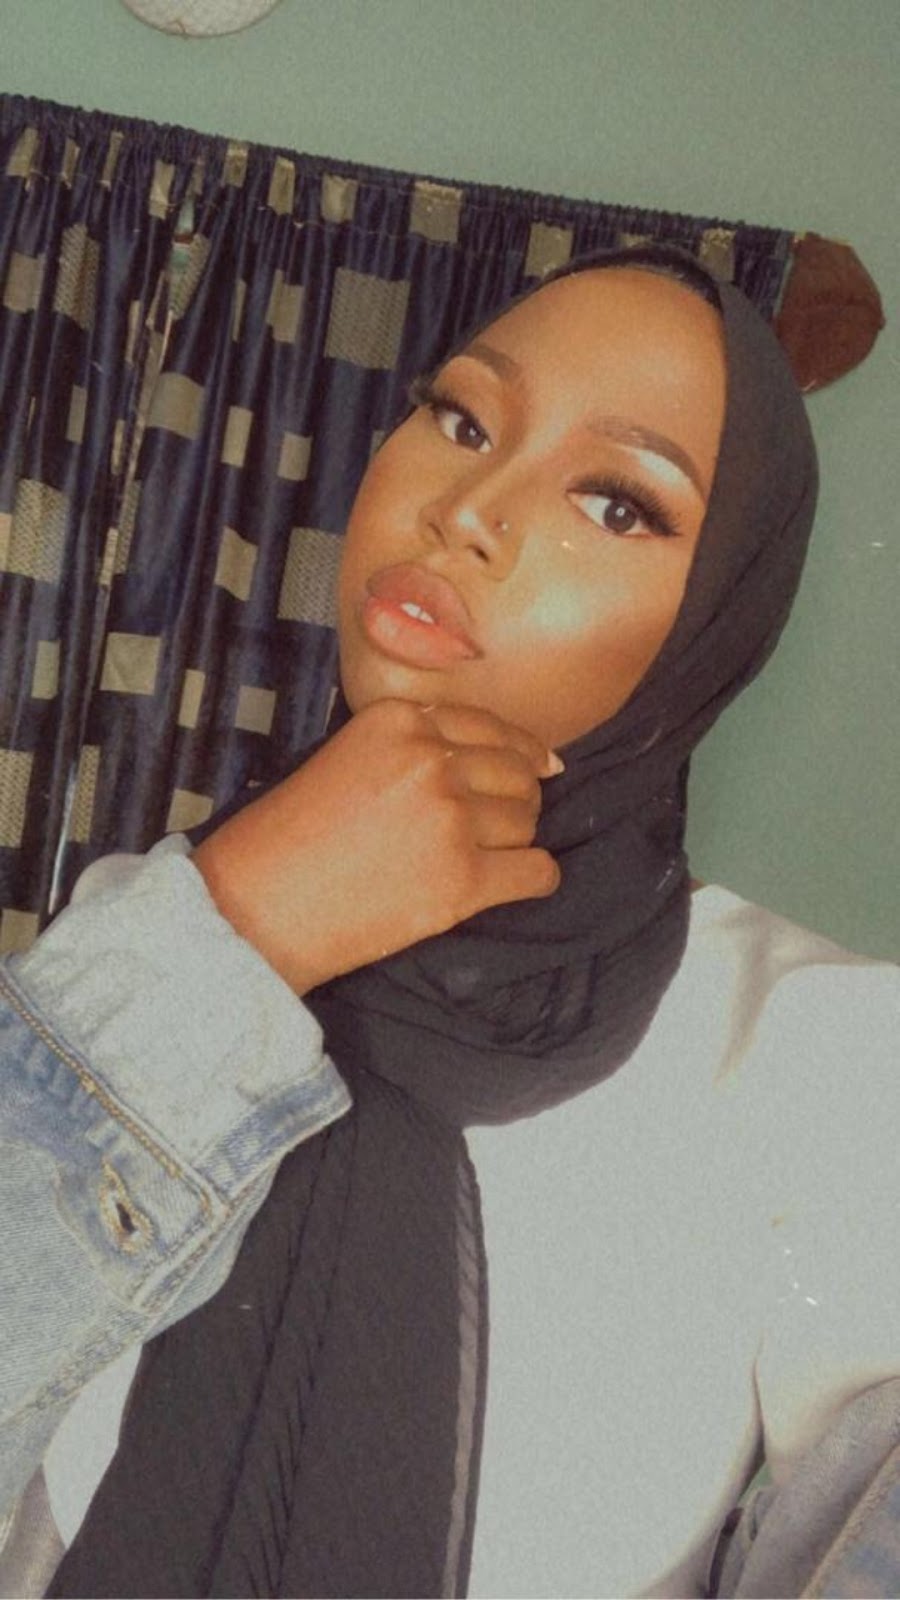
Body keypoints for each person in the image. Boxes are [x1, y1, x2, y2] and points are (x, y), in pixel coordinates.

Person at [0, 244, 897, 1599]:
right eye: (462, 419)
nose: (467, 510)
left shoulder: (816, 1048)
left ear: (721, 617)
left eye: (616, 501)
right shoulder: (151, 922)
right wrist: (240, 931)